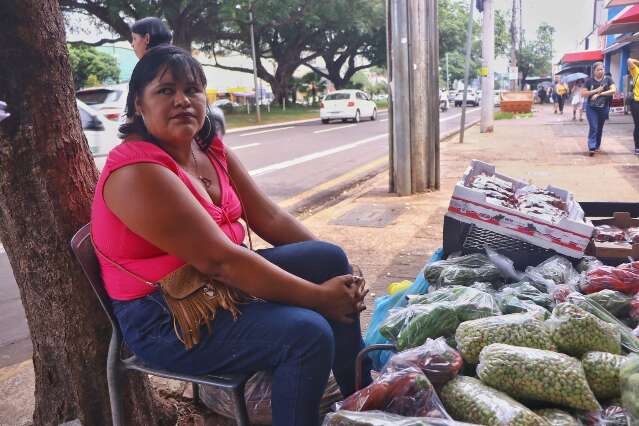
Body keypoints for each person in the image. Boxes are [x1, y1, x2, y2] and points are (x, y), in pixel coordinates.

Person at [90, 46, 372, 425]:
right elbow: (220, 262)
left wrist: (341, 277)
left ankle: (363, 401)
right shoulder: (138, 170)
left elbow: (269, 218)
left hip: (214, 286)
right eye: (165, 91)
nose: (182, 101)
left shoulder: (206, 149)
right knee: (308, 334)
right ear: (138, 104)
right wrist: (320, 298)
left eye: (192, 90)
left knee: (328, 258)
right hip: (167, 317)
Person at [582, 62, 616, 156]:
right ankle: (591, 146)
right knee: (594, 126)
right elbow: (583, 93)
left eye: (602, 69)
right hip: (591, 108)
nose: (601, 71)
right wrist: (595, 91)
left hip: (603, 107)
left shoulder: (608, 79)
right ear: (594, 71)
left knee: (599, 127)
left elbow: (613, 90)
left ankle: (597, 145)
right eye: (598, 70)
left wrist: (600, 94)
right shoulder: (589, 81)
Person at [628, 57, 639, 155]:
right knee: (638, 125)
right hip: (636, 102)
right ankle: (637, 147)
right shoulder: (636, 71)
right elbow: (629, 60)